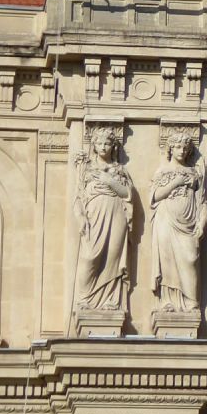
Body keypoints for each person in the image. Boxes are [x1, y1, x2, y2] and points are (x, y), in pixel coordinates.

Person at [73, 126, 133, 312]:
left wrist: (110, 181)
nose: (103, 146)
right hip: (94, 214)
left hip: (116, 213)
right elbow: (78, 198)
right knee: (90, 256)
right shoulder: (86, 169)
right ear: (94, 146)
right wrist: (80, 217)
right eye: (99, 143)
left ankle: (110, 300)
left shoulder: (120, 171)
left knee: (112, 257)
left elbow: (127, 194)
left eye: (107, 143)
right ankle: (85, 298)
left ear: (114, 146)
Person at [149, 130, 207, 314]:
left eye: (185, 148)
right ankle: (169, 301)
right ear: (170, 149)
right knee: (168, 262)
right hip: (166, 220)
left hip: (188, 223)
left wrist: (202, 223)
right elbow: (154, 196)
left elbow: (202, 201)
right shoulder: (163, 171)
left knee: (190, 259)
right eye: (178, 147)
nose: (182, 151)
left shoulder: (194, 173)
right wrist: (175, 183)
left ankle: (190, 301)